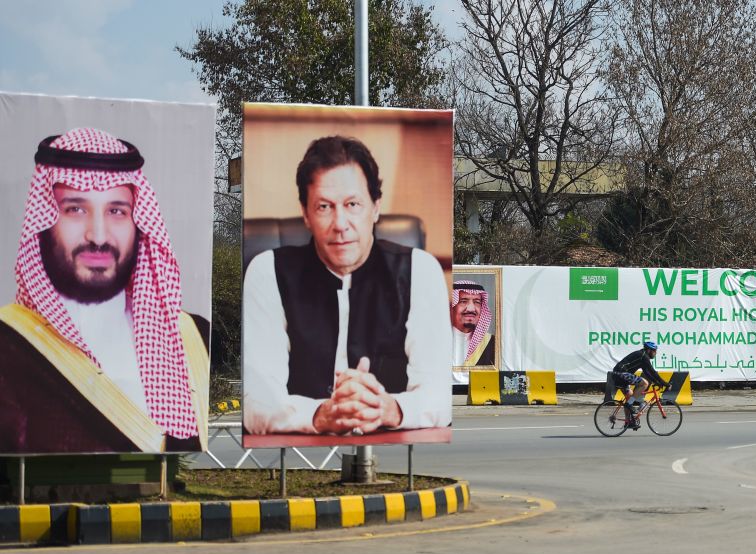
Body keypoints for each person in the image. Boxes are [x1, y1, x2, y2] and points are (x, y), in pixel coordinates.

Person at [0, 128, 209, 454]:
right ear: (43, 223)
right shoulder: (7, 343)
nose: (98, 235)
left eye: (116, 211)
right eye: (75, 209)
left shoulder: (193, 336)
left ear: (138, 223)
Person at [243, 135, 450, 434]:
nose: (340, 224)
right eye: (324, 207)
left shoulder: (420, 270)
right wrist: (320, 415)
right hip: (306, 455)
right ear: (305, 213)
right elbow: (256, 402)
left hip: (388, 449)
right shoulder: (267, 272)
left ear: (375, 208)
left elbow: (439, 395)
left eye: (352, 204)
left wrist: (389, 408)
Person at [611, 341, 669, 429]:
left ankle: (628, 422)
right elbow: (653, 371)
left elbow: (647, 372)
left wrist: (657, 382)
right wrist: (665, 383)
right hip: (621, 374)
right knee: (645, 383)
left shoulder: (642, 356)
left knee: (629, 396)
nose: (655, 353)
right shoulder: (643, 356)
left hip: (617, 374)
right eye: (654, 351)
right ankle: (629, 404)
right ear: (649, 350)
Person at [451, 279, 495, 367]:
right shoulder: (436, 341)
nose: (471, 309)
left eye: (477, 302)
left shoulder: (493, 343)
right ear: (451, 307)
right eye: (463, 301)